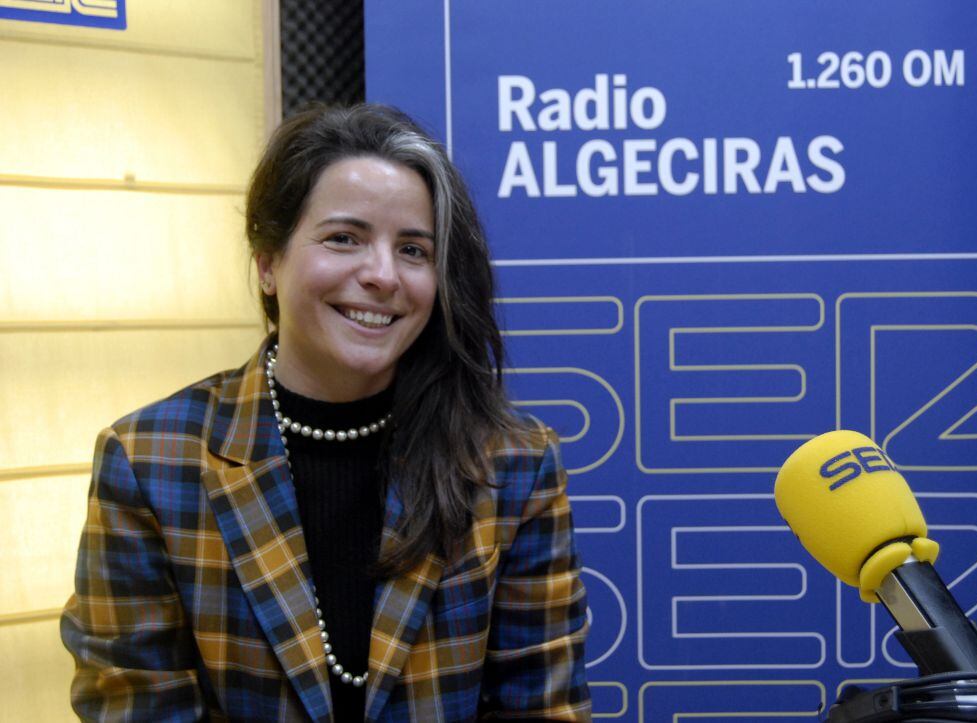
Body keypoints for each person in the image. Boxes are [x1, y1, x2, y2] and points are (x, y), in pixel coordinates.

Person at [60, 104, 591, 722]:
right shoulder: (150, 461)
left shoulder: (513, 463)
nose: (383, 275)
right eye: (345, 238)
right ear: (267, 261)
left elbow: (544, 706)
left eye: (414, 250)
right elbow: (134, 709)